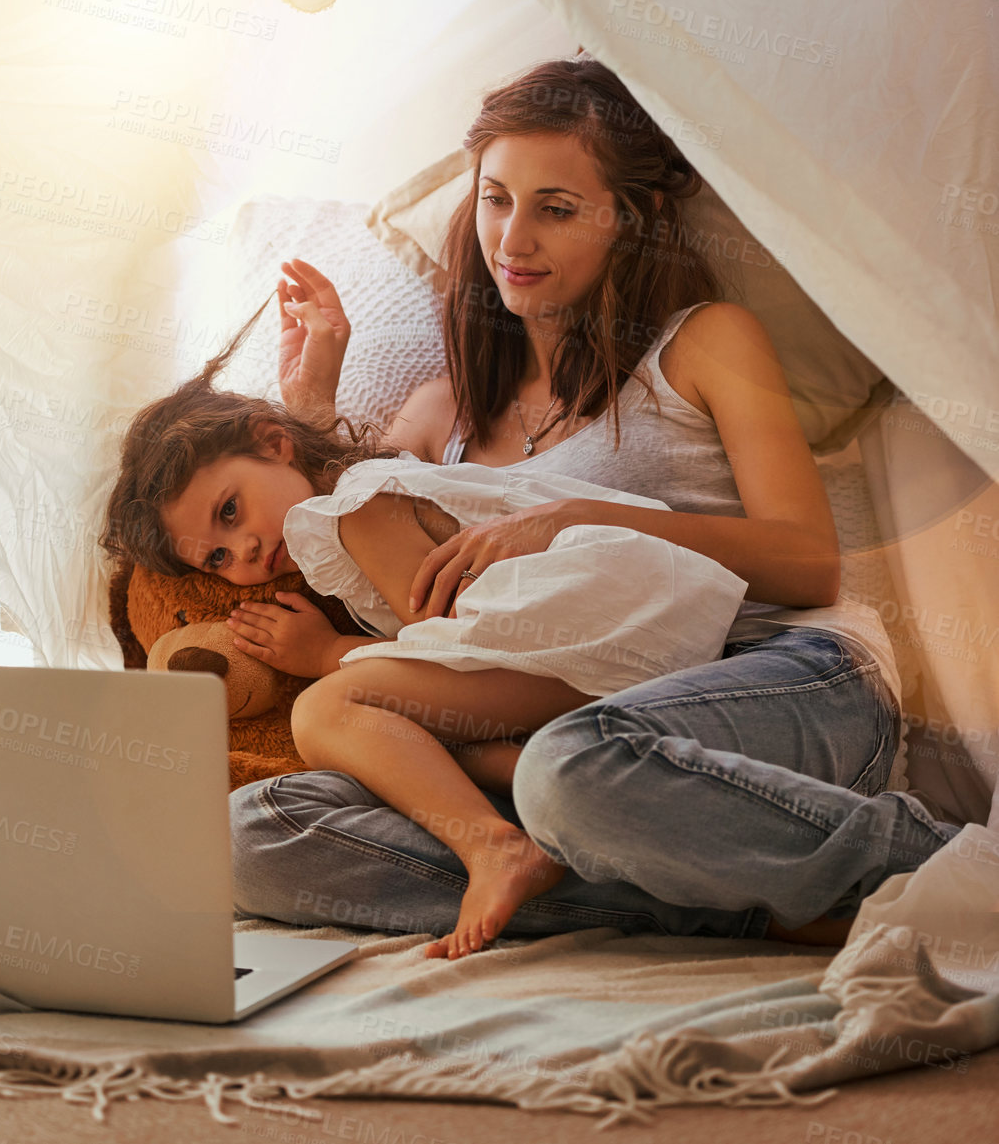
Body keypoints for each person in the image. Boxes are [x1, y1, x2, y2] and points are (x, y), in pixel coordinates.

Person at [220, 52, 960, 949]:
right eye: (496, 199)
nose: (513, 239)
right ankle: (714, 895)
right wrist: (308, 411)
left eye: (556, 208)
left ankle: (933, 862)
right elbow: (394, 609)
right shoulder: (441, 410)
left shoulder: (705, 344)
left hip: (778, 676)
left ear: (631, 218)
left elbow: (807, 560)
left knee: (570, 773)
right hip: (549, 730)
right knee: (255, 833)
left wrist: (577, 516)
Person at [100, 361, 749, 958]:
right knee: (411, 737)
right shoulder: (357, 498)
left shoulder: (356, 509)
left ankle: (496, 845)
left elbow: (448, 644)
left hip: (614, 630)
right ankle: (547, 798)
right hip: (613, 640)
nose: (241, 550)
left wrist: (327, 653)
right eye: (215, 557)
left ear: (275, 441)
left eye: (230, 510)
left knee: (327, 710)